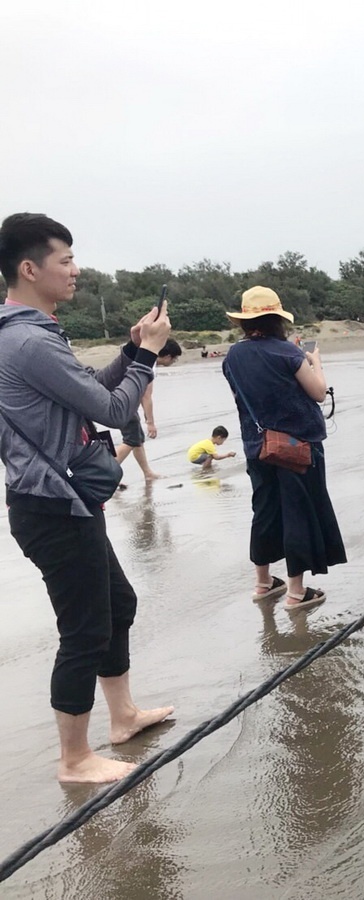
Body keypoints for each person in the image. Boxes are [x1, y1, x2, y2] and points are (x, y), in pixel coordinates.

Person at [0, 213, 174, 783]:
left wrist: (129, 354)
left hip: (66, 501)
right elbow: (116, 412)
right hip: (52, 506)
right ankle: (74, 759)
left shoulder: (33, 332)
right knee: (84, 630)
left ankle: (121, 716)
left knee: (116, 606)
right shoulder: (27, 340)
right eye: (65, 260)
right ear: (29, 269)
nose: (75, 270)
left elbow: (89, 393)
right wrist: (148, 354)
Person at [222, 286, 346, 610]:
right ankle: (295, 592)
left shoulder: (233, 356)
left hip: (257, 446)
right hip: (297, 447)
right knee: (298, 515)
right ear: (278, 318)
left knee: (264, 513)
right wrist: (315, 361)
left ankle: (263, 584)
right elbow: (318, 392)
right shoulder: (288, 353)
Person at [115, 338, 182, 481]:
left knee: (137, 439)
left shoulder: (143, 357)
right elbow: (146, 396)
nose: (172, 362)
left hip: (121, 401)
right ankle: (105, 474)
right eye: (174, 359)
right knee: (131, 440)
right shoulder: (148, 364)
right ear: (168, 356)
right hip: (123, 403)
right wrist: (150, 422)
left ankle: (147, 473)